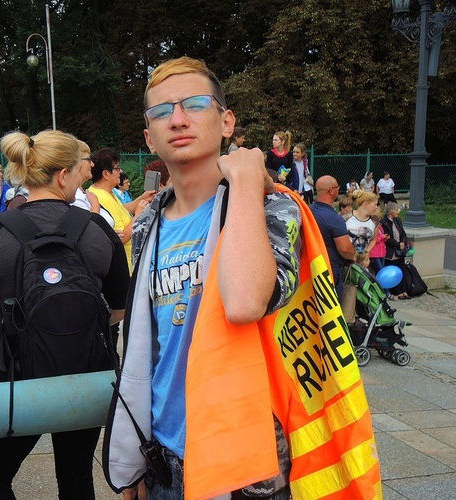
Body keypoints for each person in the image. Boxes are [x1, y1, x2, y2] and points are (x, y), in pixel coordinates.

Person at [104, 57, 303, 500]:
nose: (177, 119)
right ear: (149, 136)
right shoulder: (145, 224)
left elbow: (247, 302)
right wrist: (136, 456)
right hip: (164, 457)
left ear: (226, 121)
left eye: (194, 104)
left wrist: (247, 182)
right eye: (161, 112)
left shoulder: (271, 208)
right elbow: (146, 344)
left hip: (244, 466)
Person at [0, 129, 130, 499]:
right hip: (86, 376)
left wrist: (7, 326)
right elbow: (120, 308)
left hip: (20, 376)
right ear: (63, 175)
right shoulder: (98, 229)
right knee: (76, 474)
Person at [88, 148, 153, 271]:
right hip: (124, 268)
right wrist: (138, 215)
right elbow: (120, 238)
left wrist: (142, 198)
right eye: (117, 168)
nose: (121, 171)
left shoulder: (107, 193)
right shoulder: (103, 198)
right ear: (106, 174)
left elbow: (121, 210)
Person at [310, 176, 355, 299]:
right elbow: (345, 249)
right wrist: (353, 256)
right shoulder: (333, 218)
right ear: (331, 191)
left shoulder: (308, 211)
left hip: (310, 265)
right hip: (329, 269)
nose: (338, 189)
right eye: (337, 187)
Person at [347, 190, 379, 254]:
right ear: (366, 204)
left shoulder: (375, 221)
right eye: (375, 204)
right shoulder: (346, 217)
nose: (376, 207)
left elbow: (373, 240)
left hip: (362, 261)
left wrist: (366, 253)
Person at [380, 202, 408, 271]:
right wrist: (398, 244)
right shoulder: (384, 222)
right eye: (396, 210)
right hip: (390, 254)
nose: (398, 211)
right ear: (390, 211)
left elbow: (403, 233)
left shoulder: (398, 220)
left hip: (400, 253)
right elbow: (387, 238)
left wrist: (403, 242)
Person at [369, 208, 388, 275]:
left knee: (382, 271)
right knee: (380, 272)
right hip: (374, 254)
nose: (380, 219)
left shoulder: (379, 226)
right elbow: (372, 239)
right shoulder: (371, 226)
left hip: (381, 252)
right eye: (379, 217)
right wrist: (381, 237)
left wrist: (385, 238)